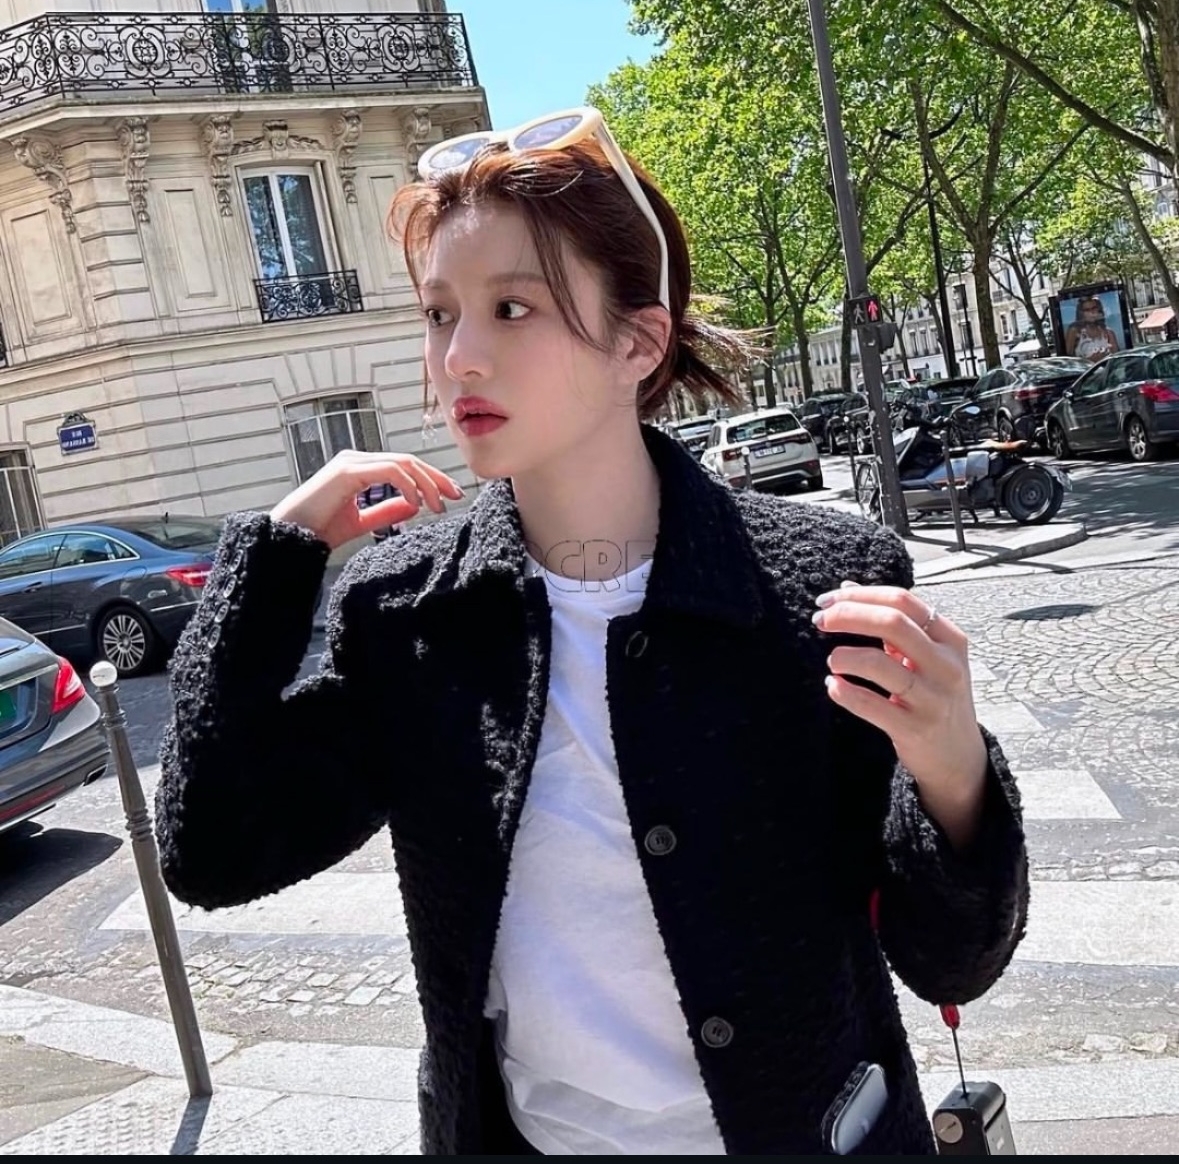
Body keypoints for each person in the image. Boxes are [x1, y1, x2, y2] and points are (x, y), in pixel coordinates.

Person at [154, 106, 1028, 1156]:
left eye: (511, 308)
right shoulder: (407, 613)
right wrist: (277, 554)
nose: (458, 358)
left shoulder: (820, 584)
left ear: (637, 342)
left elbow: (951, 960)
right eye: (438, 314)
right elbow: (214, 850)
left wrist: (953, 769)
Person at [1064, 296, 1120, 362]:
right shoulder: (1074, 331)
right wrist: (1090, 360)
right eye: (1087, 310)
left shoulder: (1108, 332)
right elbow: (1067, 360)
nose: (1091, 312)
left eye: (1094, 308)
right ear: (1081, 313)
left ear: (1099, 310)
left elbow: (1117, 359)